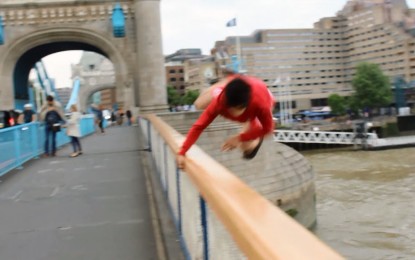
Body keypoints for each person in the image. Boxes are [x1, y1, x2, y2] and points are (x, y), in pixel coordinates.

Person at [176, 74, 275, 169]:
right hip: (236, 85)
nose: (232, 113)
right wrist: (182, 152)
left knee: (251, 134)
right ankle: (229, 80)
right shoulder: (219, 103)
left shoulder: (260, 105)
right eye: (230, 109)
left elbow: (268, 130)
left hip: (256, 90)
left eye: (236, 109)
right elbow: (199, 126)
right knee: (199, 104)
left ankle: (233, 80)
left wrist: (239, 138)